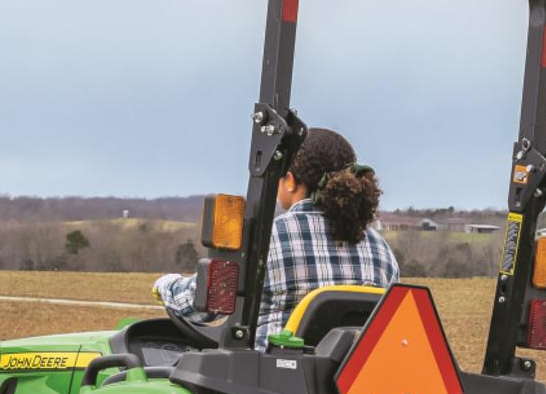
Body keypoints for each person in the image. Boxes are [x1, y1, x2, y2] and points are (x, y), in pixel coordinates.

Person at [155, 128, 399, 348]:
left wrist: (165, 286)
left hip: (269, 391)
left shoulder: (268, 241)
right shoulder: (381, 251)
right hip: (342, 392)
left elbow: (204, 309)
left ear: (290, 181)